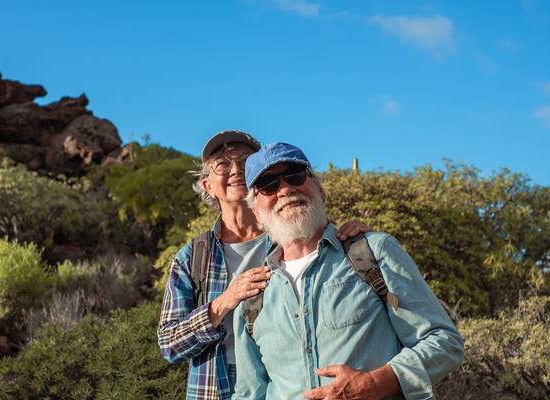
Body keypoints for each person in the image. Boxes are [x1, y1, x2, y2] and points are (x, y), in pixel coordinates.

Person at [232, 142, 465, 400]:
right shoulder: (252, 297)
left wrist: (375, 383)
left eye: (295, 175)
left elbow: (444, 342)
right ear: (255, 212)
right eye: (268, 184)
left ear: (320, 189)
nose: (286, 189)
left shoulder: (374, 252)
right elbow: (248, 393)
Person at [157, 131, 371, 400]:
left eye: (246, 162)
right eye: (222, 164)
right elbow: (169, 345)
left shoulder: (294, 233)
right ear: (207, 185)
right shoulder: (191, 258)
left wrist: (351, 234)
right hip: (213, 389)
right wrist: (225, 301)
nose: (235, 170)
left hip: (287, 385)